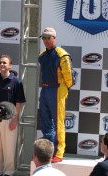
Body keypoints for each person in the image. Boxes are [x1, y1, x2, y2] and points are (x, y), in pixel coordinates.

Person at [0, 55, 26, 176]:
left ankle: (8, 172)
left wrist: (15, 118)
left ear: (10, 66)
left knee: (9, 147)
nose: (2, 64)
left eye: (5, 62)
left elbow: (19, 102)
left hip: (9, 118)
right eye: (0, 62)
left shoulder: (16, 82)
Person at [38, 27, 75, 163]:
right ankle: (48, 150)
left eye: (48, 37)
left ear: (54, 38)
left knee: (58, 121)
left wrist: (64, 89)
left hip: (57, 89)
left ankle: (59, 152)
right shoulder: (42, 55)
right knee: (45, 120)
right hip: (45, 88)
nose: (45, 40)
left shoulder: (62, 54)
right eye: (43, 37)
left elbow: (69, 77)